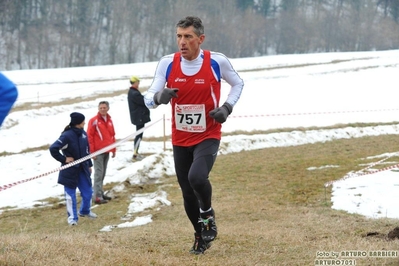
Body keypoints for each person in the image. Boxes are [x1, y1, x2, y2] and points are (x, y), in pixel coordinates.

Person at [144, 16, 244, 254]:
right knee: (187, 194)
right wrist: (159, 97)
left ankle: (207, 214)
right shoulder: (167, 63)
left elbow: (238, 84)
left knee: (197, 178)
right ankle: (200, 236)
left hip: (208, 134)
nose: (182, 41)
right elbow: (148, 97)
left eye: (188, 36)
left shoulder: (216, 61)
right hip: (180, 139)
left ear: (200, 39)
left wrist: (226, 108)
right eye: (179, 36)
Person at [49, 112, 97, 226]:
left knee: (88, 192)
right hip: (70, 171)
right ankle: (72, 219)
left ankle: (85, 211)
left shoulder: (83, 134)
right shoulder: (67, 135)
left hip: (83, 169)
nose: (85, 123)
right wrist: (64, 159)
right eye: (83, 121)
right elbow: (53, 148)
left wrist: (89, 164)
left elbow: (86, 150)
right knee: (70, 196)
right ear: (78, 123)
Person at [87, 101, 116, 204]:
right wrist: (92, 152)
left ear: (108, 108)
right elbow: (89, 136)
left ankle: (100, 192)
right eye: (101, 108)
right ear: (98, 109)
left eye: (104, 107)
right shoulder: (93, 121)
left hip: (107, 150)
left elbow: (112, 135)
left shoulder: (109, 120)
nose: (103, 109)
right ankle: (97, 196)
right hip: (98, 151)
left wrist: (113, 149)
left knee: (103, 173)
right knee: (98, 173)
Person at [127, 76, 151, 161]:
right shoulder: (135, 93)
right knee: (139, 135)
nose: (139, 84)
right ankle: (135, 153)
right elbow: (143, 101)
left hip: (138, 117)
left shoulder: (132, 92)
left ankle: (136, 152)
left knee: (139, 134)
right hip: (139, 118)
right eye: (138, 82)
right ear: (135, 82)